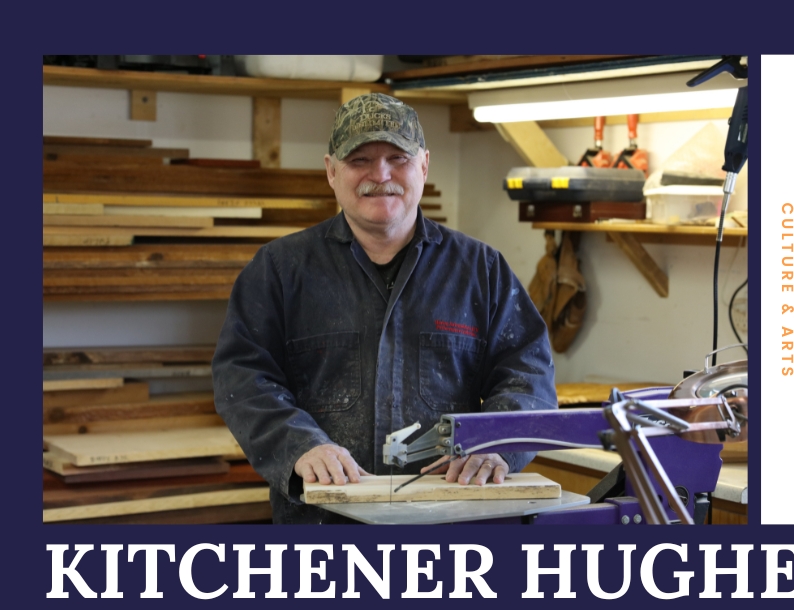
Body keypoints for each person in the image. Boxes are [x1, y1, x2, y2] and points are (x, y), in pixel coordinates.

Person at [212, 93, 557, 523]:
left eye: (398, 157)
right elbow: (243, 378)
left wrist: (495, 444)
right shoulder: (280, 270)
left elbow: (528, 375)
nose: (381, 174)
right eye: (360, 160)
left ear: (424, 166)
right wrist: (298, 446)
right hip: (324, 524)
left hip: (451, 525)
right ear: (331, 171)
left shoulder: (481, 270)